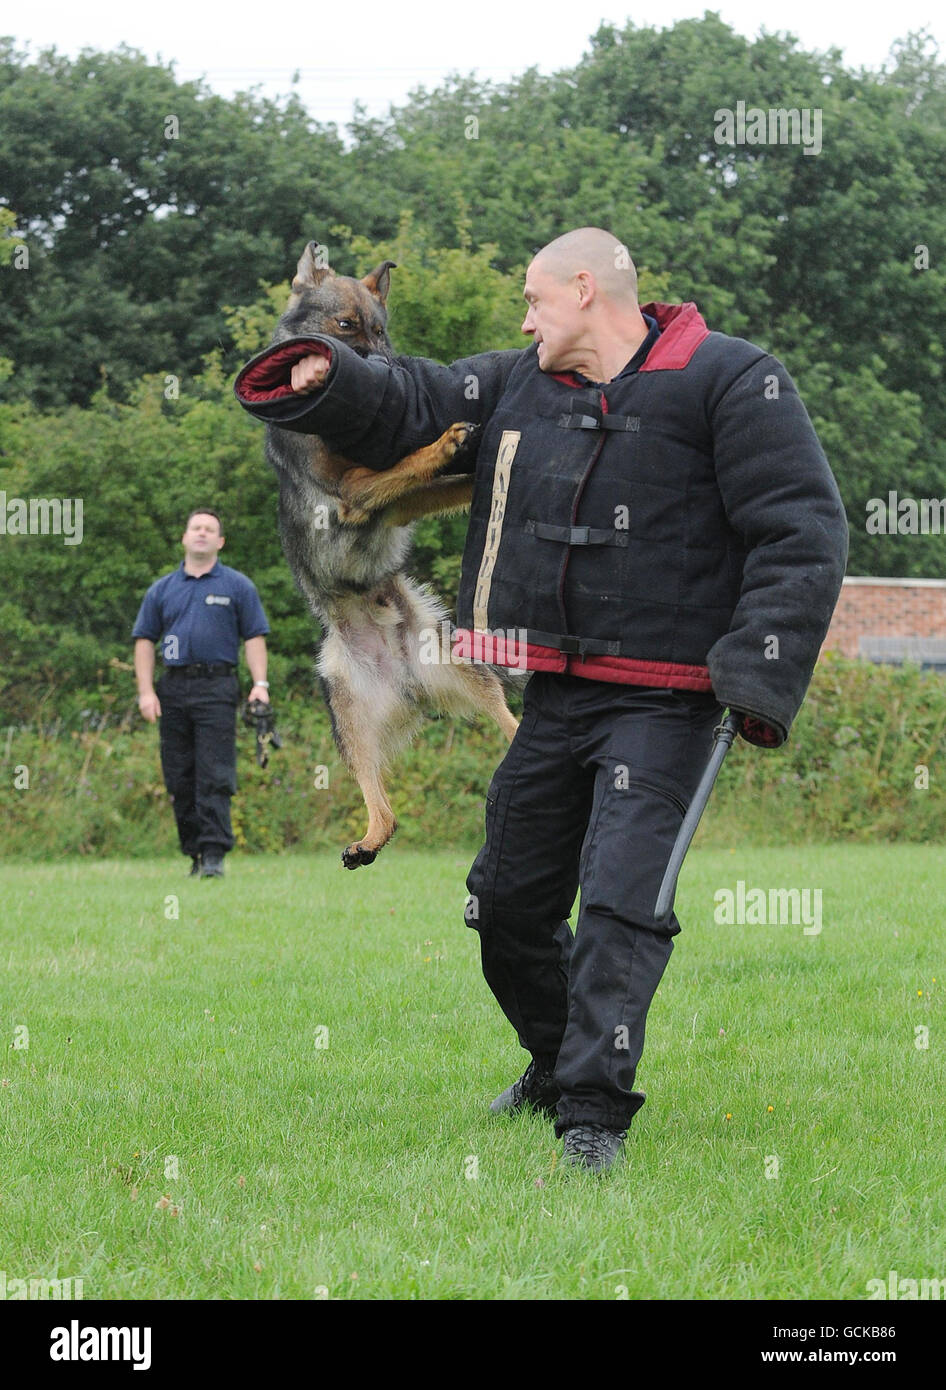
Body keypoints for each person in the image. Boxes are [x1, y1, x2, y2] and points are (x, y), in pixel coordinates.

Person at [234, 227, 849, 1171]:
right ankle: (554, 1063)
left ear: (584, 291)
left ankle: (593, 1117)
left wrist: (759, 671)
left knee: (617, 904)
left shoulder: (731, 378)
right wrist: (321, 373)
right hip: (557, 691)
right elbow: (418, 397)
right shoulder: (522, 379)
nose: (523, 319)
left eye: (533, 301)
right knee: (505, 905)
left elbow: (802, 530)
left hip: (667, 698)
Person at [132, 508, 272, 878]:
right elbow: (145, 641)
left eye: (210, 529)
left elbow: (254, 637)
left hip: (217, 687)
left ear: (220, 541)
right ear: (184, 537)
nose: (202, 533)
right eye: (196, 527)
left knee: (214, 772)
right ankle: (193, 852)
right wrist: (146, 692)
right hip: (173, 688)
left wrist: (260, 685)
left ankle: (213, 855)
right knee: (180, 776)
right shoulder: (162, 589)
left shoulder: (238, 586)